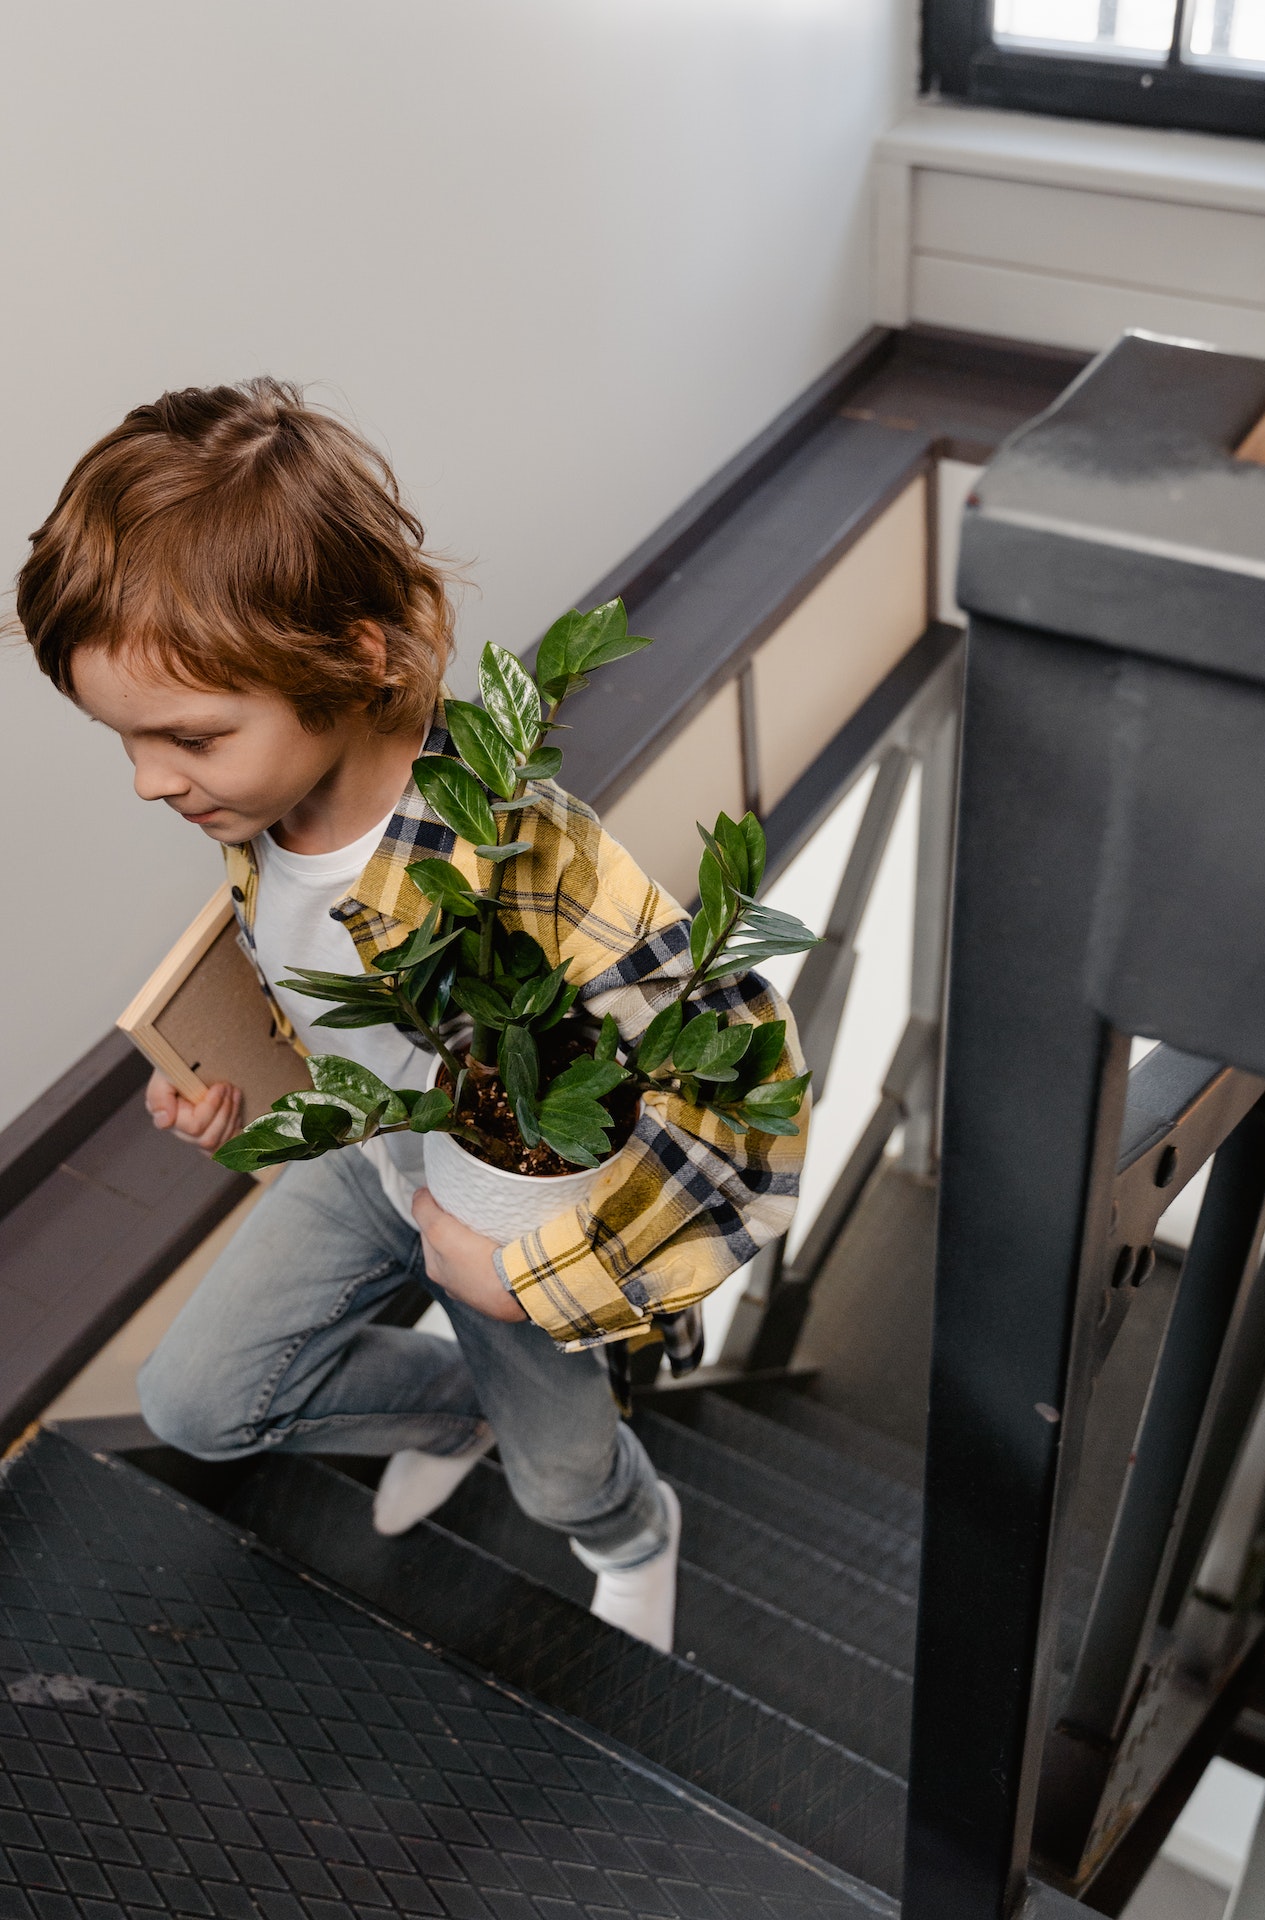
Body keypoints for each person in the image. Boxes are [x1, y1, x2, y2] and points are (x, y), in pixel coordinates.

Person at [14, 379, 807, 1652]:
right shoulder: (266, 813)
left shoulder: (532, 868)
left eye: (192, 737)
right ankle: (458, 1416)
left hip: (511, 1210)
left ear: (360, 656)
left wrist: (524, 1274)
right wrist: (245, 1099)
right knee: (197, 1403)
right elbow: (330, 994)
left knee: (564, 1480)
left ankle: (633, 1529)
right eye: (127, 741)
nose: (152, 781)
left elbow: (747, 1102)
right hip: (371, 1160)